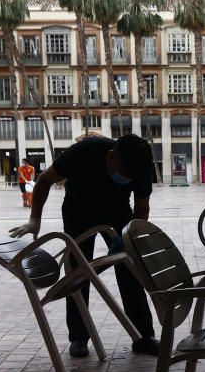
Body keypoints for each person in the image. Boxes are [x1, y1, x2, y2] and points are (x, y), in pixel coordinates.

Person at [9, 133, 159, 358]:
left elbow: (141, 210)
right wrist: (34, 220)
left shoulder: (141, 165)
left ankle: (143, 336)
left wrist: (129, 238)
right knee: (78, 274)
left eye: (130, 176)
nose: (126, 178)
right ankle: (78, 338)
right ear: (111, 157)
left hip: (118, 214)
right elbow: (45, 180)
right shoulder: (84, 151)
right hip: (78, 213)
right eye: (123, 173)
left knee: (130, 270)